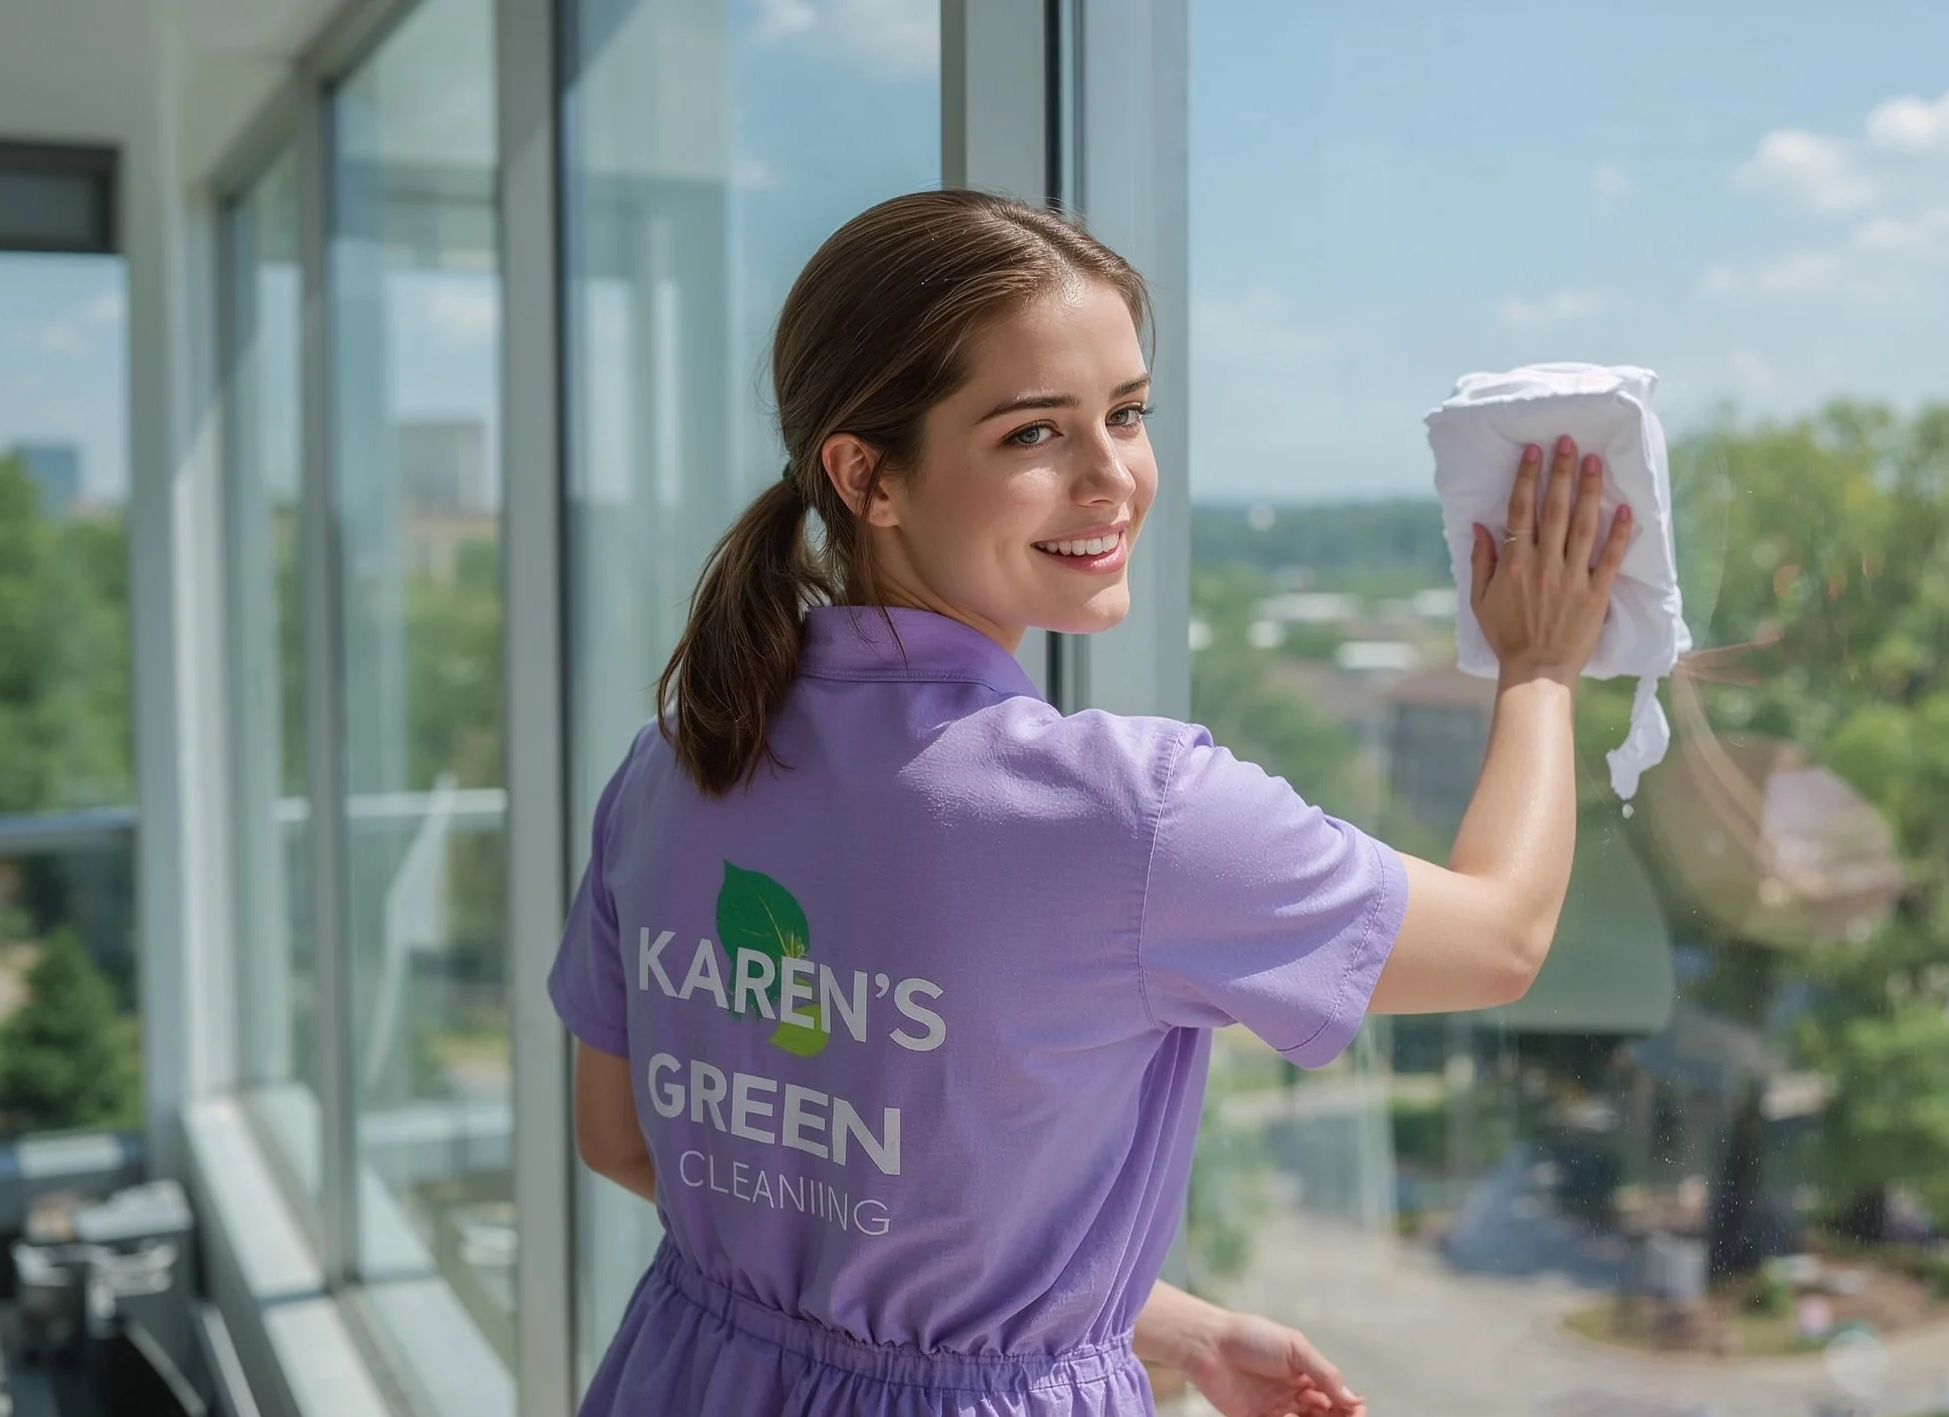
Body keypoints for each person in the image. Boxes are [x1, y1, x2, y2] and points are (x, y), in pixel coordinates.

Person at [552, 189, 1633, 1417]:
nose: (1111, 476)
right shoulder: (1129, 816)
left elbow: (628, 1142)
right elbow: (1498, 941)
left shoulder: (674, 763)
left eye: (1126, 413)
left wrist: (1156, 1319)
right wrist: (1539, 666)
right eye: (1031, 435)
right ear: (868, 475)